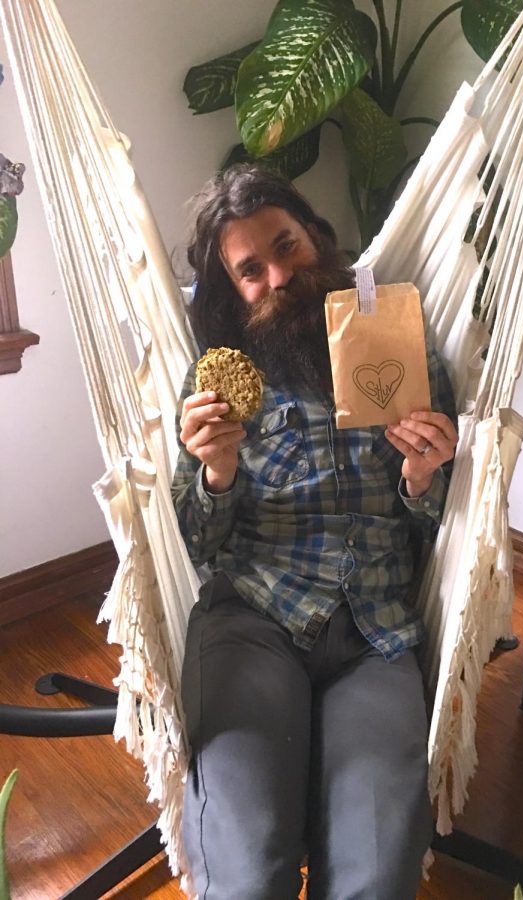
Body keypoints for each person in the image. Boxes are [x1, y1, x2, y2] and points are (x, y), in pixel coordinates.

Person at [172, 164, 458, 900]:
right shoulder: (215, 383)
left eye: (286, 246)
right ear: (232, 293)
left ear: (317, 241)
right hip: (254, 618)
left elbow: (448, 523)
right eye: (250, 270)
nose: (277, 275)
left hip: (376, 630)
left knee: (378, 874)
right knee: (244, 871)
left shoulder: (402, 343)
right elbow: (195, 545)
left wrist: (424, 475)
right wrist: (217, 474)